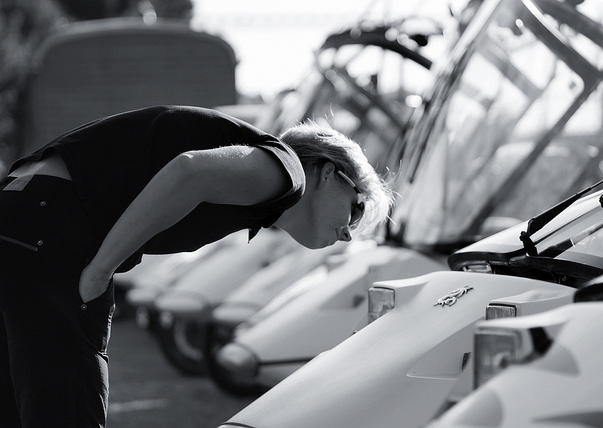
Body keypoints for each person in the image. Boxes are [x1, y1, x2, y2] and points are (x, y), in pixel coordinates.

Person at [0, 105, 394, 427]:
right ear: (328, 173)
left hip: (19, 213)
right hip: (48, 228)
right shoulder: (285, 172)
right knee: (68, 405)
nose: (348, 233)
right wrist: (101, 270)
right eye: (356, 209)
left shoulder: (256, 180)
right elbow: (190, 170)